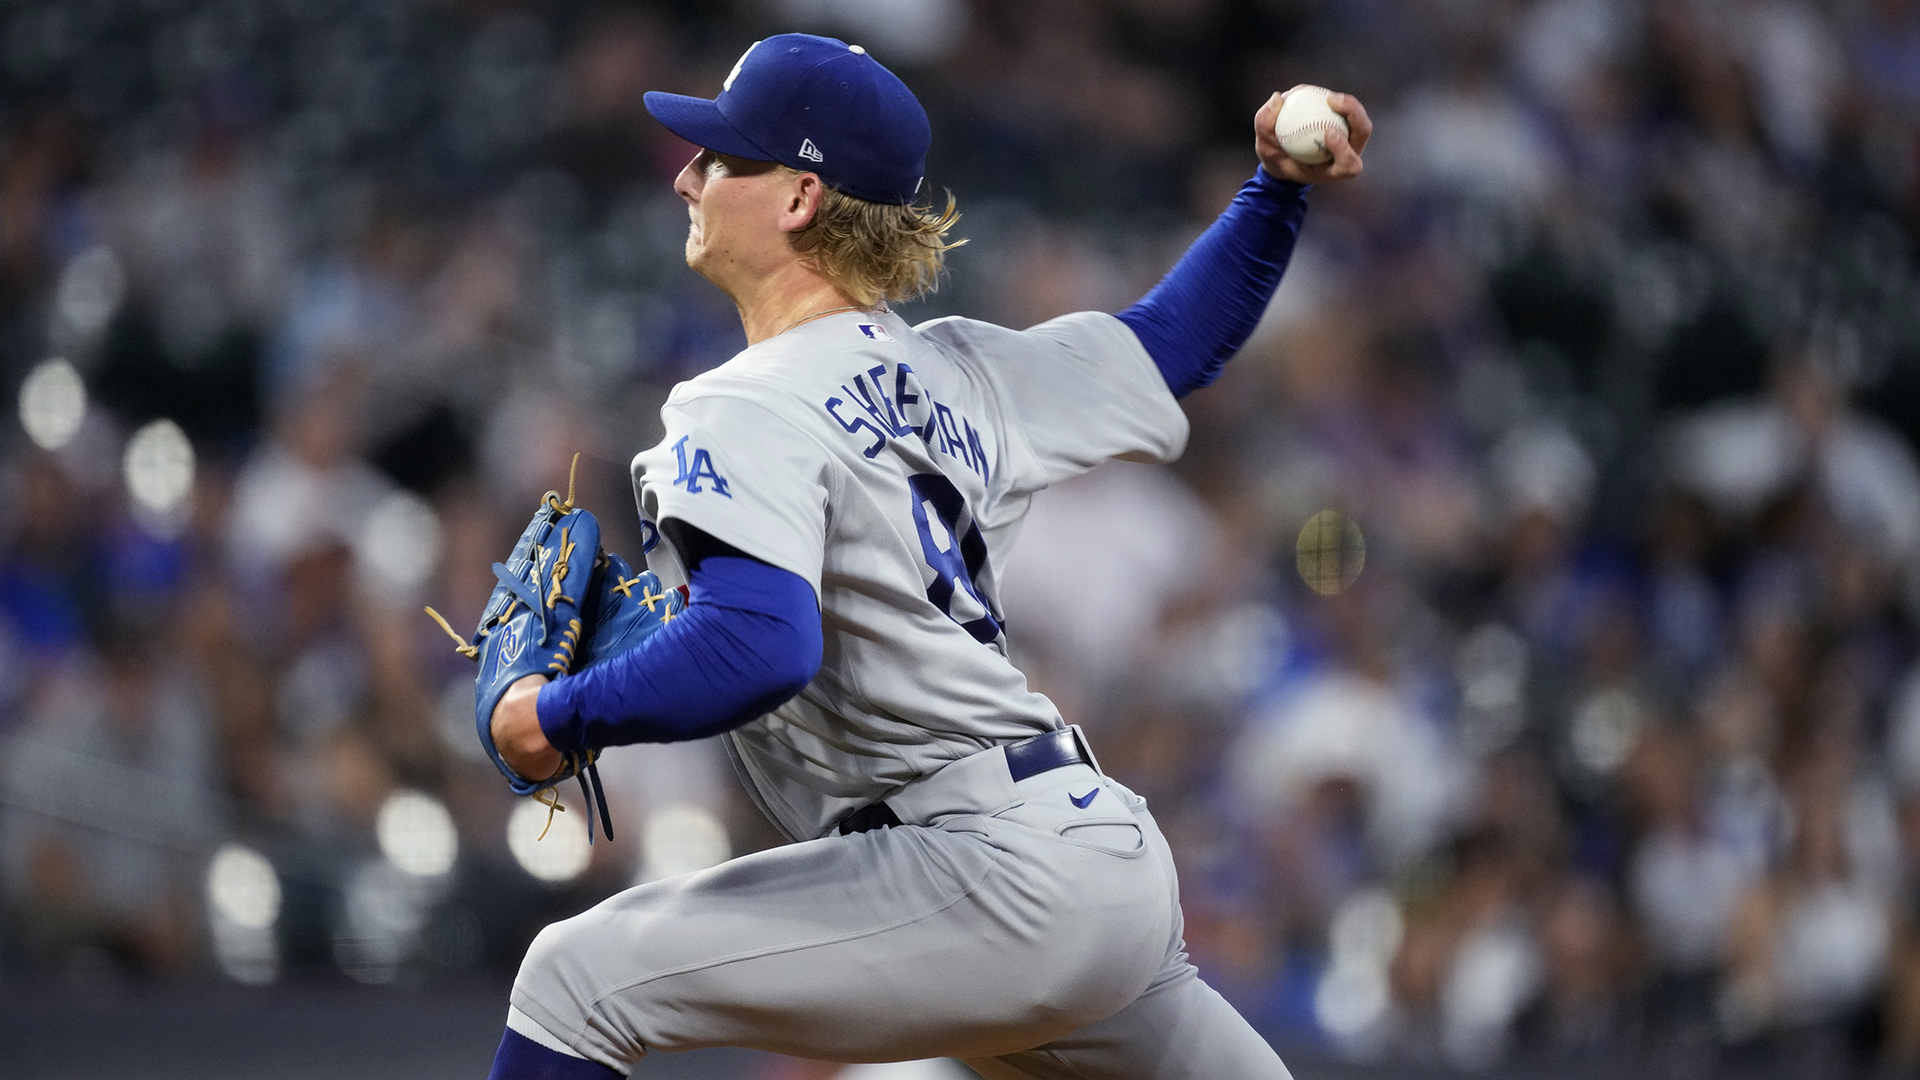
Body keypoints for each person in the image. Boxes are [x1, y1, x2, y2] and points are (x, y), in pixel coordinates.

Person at [481, 33, 1368, 1079]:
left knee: (573, 982)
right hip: (1097, 859)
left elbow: (763, 646)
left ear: (802, 197)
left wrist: (548, 718)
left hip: (974, 870)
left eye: (719, 159)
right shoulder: (964, 370)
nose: (687, 174)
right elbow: (1177, 337)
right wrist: (1273, 191)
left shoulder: (737, 402)